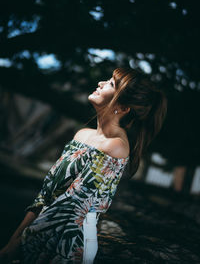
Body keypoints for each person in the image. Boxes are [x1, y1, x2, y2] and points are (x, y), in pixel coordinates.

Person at [0, 67, 167, 263]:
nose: (100, 83)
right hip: (38, 232)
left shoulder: (115, 147)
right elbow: (47, 194)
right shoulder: (82, 135)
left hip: (66, 243)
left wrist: (18, 242)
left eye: (111, 84)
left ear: (122, 108)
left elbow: (70, 208)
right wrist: (14, 239)